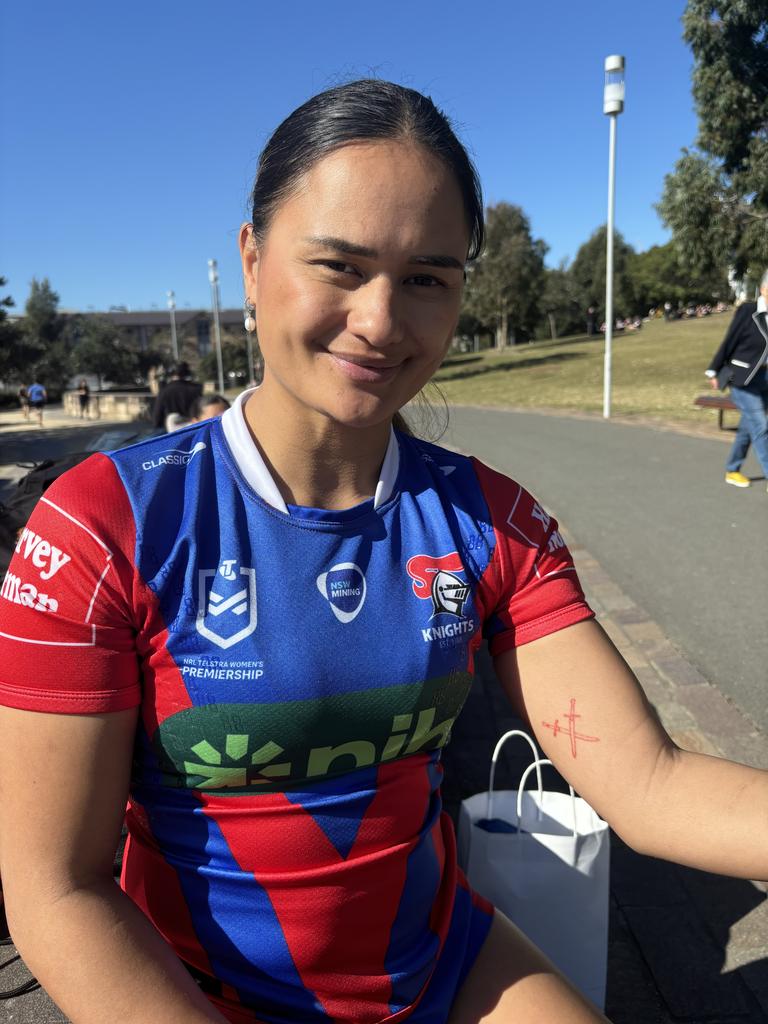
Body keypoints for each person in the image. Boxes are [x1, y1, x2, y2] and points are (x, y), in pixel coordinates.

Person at [0, 80, 765, 1024]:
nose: (380, 320)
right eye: (339, 266)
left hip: (441, 963)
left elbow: (647, 785)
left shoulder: (492, 519)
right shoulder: (103, 524)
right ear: (251, 259)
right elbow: (55, 885)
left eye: (426, 279)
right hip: (193, 995)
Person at [705, 269, 768, 490]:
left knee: (748, 427)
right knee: (761, 424)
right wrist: (713, 369)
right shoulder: (748, 310)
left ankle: (732, 469)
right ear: (763, 289)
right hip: (742, 377)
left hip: (764, 378)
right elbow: (730, 340)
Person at [152, 360, 202, 431]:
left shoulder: (164, 391)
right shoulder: (196, 389)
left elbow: (156, 419)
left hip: (173, 435)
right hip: (193, 431)